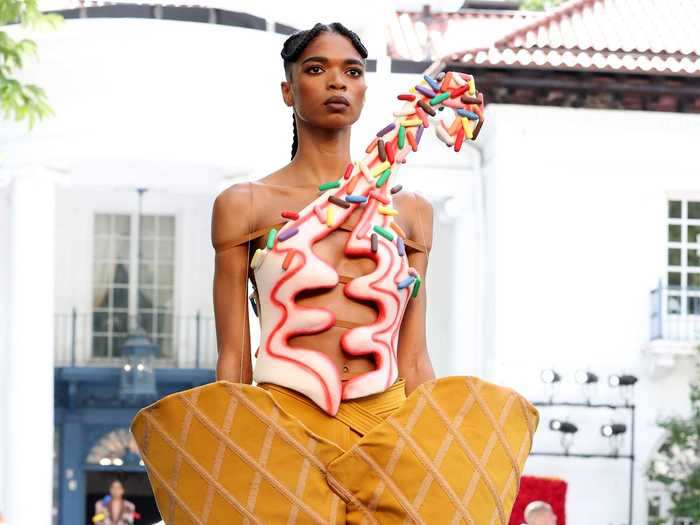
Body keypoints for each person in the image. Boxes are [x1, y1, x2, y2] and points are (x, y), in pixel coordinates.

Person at [132, 21, 539, 524]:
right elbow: (234, 354)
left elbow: (413, 357)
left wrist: (438, 451)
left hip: (387, 421)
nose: (337, 82)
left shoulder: (410, 212)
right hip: (285, 420)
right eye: (316, 69)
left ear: (366, 89)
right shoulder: (246, 205)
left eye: (352, 71)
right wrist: (230, 441)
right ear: (288, 89)